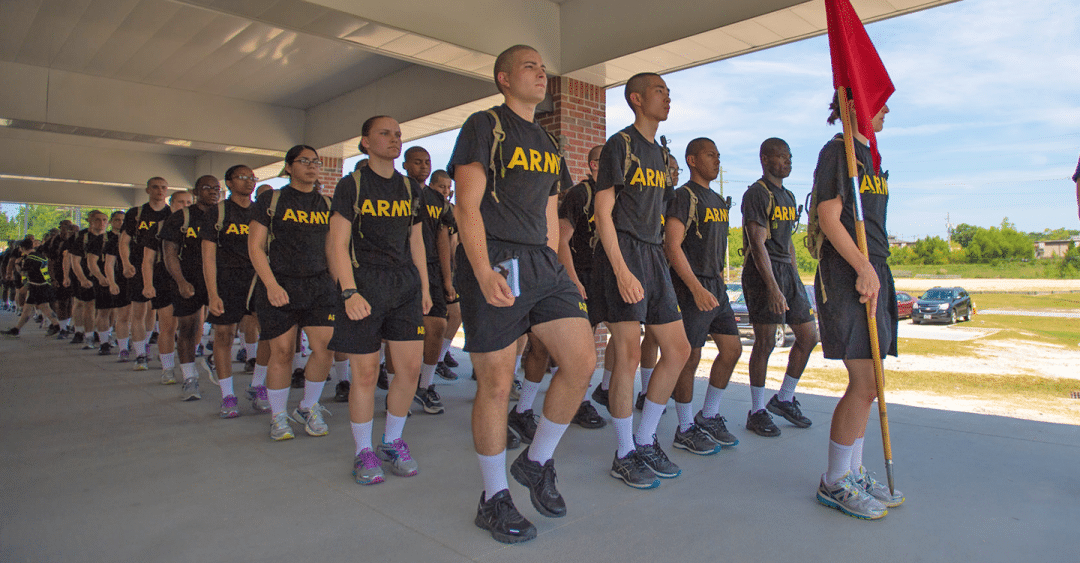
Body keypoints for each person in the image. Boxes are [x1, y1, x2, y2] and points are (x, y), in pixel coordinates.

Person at [449, 44, 596, 544]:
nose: (541, 73)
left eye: (543, 67)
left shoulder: (549, 141)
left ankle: (536, 461)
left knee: (581, 361)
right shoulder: (485, 126)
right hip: (496, 258)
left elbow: (552, 213)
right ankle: (493, 498)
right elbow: (466, 206)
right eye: (529, 66)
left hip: (541, 263)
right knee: (495, 382)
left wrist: (558, 268)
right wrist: (481, 269)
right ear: (504, 78)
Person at [593, 72, 690, 489]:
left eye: (668, 92)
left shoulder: (661, 155)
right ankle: (624, 452)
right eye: (659, 91)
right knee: (629, 355)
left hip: (653, 255)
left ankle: (646, 439)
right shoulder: (621, 144)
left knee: (679, 349)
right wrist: (620, 269)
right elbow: (602, 212)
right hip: (624, 253)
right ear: (636, 99)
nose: (667, 98)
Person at [811, 92, 903, 519]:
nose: (886, 109)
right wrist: (863, 267)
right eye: (878, 100)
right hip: (849, 274)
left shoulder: (871, 157)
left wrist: (874, 268)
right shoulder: (837, 153)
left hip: (874, 268)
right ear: (853, 103)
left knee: (873, 385)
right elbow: (829, 217)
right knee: (864, 382)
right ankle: (834, 481)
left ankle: (853, 470)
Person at [327, 115, 431, 484]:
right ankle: (363, 451)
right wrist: (349, 291)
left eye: (398, 134)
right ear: (366, 142)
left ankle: (392, 441)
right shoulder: (351, 185)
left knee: (409, 371)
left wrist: (425, 287)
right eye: (385, 133)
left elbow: (416, 241)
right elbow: (337, 244)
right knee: (366, 374)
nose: (394, 139)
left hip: (404, 287)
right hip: (364, 286)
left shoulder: (410, 188)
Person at [248, 145, 336, 441]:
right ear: (288, 167)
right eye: (304, 161)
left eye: (316, 162)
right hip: (280, 285)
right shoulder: (271, 200)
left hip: (319, 286)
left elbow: (332, 249)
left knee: (325, 348)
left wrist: (342, 287)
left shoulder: (327, 203)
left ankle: (308, 407)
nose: (311, 166)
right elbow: (255, 247)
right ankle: (278, 416)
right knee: (283, 352)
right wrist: (271, 285)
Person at [662, 137, 742, 455]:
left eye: (718, 155)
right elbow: (672, 246)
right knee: (689, 357)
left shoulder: (719, 201)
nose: (716, 160)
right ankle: (684, 429)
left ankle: (708, 415)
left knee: (732, 349)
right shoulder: (684, 196)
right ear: (692, 160)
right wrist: (695, 288)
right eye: (710, 155)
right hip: (690, 287)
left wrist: (717, 284)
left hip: (716, 287)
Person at [740, 138, 818, 437]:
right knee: (766, 342)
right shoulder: (757, 194)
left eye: (790, 157)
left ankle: (784, 398)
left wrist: (795, 280)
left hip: (787, 270)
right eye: (781, 156)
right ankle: (757, 411)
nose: (787, 161)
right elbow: (757, 243)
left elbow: (788, 243)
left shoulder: (788, 196)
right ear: (764, 159)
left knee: (809, 336)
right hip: (763, 271)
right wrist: (772, 287)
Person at [201, 165, 267, 417]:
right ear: (229, 182)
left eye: (252, 178)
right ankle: (227, 396)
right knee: (224, 335)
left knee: (268, 335)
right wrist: (212, 294)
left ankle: (257, 385)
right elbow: (208, 257)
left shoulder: (261, 211)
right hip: (227, 280)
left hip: (257, 279)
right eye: (242, 177)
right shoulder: (217, 212)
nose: (249, 181)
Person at [404, 147, 457, 413]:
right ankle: (399, 391)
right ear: (405, 165)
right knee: (401, 334)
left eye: (427, 162)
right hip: (402, 269)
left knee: (437, 325)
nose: (423, 166)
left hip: (433, 270)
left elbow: (443, 239)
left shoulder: (437, 200)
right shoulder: (397, 191)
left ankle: (424, 386)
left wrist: (447, 280)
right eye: (417, 162)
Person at [156, 177, 220, 401]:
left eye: (216, 188)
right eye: (207, 188)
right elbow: (169, 253)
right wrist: (181, 281)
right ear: (195, 191)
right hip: (189, 280)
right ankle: (189, 377)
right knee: (187, 328)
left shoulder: (223, 215)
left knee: (224, 329)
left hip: (218, 281)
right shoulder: (181, 217)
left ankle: (218, 367)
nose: (213, 192)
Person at [120, 177, 172, 370]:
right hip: (138, 266)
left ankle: (149, 344)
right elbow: (124, 241)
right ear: (148, 190)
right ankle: (140, 354)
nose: (160, 190)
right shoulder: (136, 213)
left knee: (156, 313)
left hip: (164, 269)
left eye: (164, 187)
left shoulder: (171, 214)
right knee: (138, 312)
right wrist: (126, 263)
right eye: (156, 187)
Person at [141, 191, 189, 382]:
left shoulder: (199, 224)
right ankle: (167, 368)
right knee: (168, 326)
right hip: (164, 278)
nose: (185, 205)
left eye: (188, 202)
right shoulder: (160, 226)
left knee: (191, 328)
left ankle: (189, 368)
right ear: (171, 204)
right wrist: (148, 283)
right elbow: (148, 259)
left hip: (192, 279)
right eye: (180, 202)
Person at [1, 239, 60, 337]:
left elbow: (28, 275)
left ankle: (56, 325)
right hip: (44, 285)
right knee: (34, 308)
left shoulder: (29, 259)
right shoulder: (40, 256)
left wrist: (19, 268)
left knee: (39, 308)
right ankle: (17, 329)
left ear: (22, 248)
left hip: (37, 287)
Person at [102, 211, 133, 360]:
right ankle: (123, 349)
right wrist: (112, 282)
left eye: (124, 220)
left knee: (140, 316)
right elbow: (109, 264)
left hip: (141, 281)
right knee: (123, 316)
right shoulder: (114, 241)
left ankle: (142, 346)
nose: (121, 223)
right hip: (122, 281)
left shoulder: (141, 238)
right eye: (118, 220)